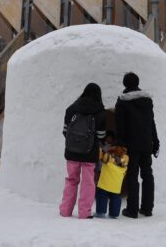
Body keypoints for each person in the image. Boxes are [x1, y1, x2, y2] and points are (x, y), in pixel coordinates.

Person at [114, 72, 159, 218]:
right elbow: (151, 123)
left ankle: (132, 209)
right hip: (146, 143)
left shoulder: (122, 101)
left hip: (130, 145)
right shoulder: (147, 101)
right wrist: (155, 141)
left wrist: (119, 145)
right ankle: (147, 208)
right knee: (147, 174)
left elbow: (119, 126)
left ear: (125, 84)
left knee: (132, 176)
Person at [59, 83, 107, 219]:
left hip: (71, 152)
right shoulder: (100, 112)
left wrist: (75, 143)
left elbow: (65, 131)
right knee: (88, 182)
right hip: (89, 154)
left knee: (71, 180)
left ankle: (65, 210)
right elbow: (101, 137)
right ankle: (84, 213)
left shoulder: (71, 109)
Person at [94, 142, 129, 219]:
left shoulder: (108, 157)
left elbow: (100, 154)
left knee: (101, 197)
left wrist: (97, 145)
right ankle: (114, 214)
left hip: (104, 183)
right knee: (116, 198)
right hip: (116, 185)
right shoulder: (125, 159)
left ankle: (100, 212)